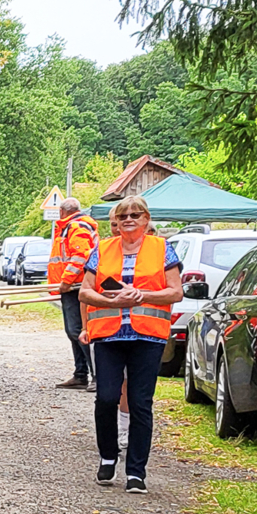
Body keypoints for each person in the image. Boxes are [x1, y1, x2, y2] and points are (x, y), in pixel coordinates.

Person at [77, 196, 183, 494]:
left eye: (135, 215)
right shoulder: (102, 249)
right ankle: (108, 455)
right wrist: (112, 299)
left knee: (139, 403)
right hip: (108, 335)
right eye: (123, 216)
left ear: (146, 220)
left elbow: (176, 293)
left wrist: (142, 296)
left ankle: (136, 472)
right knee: (107, 398)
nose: (128, 220)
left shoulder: (163, 249)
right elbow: (85, 293)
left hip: (147, 336)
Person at [47, 196, 100, 389]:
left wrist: (65, 280)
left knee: (78, 330)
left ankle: (96, 376)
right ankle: (80, 374)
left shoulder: (76, 227)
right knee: (73, 331)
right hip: (72, 286)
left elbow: (80, 256)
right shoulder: (73, 226)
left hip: (77, 287)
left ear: (62, 212)